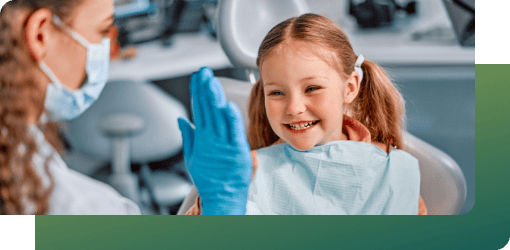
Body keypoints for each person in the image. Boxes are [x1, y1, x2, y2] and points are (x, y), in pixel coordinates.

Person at [185, 13, 428, 215]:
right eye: (277, 92)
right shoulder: (245, 175)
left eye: (312, 88)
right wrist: (215, 209)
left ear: (350, 87)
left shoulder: (391, 177)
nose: (293, 108)